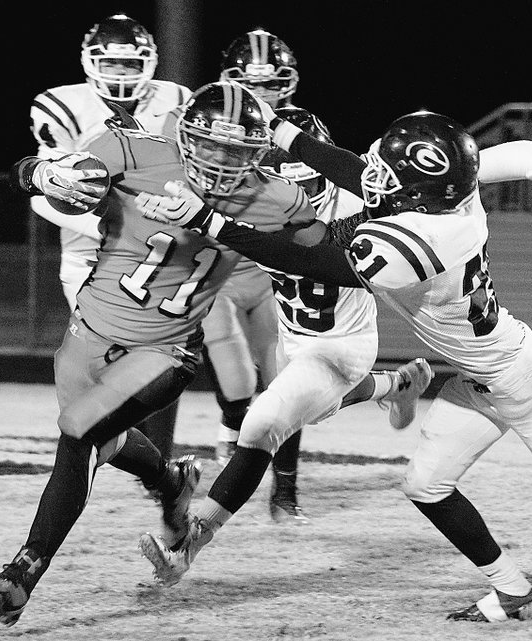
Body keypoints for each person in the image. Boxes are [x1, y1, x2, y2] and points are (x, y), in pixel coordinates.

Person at [136, 104, 532, 621]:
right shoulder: (447, 197)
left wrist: (206, 220)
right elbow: (378, 176)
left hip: (522, 378)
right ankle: (515, 592)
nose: (371, 175)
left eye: (387, 173)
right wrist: (286, 133)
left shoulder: (410, 243)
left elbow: (315, 259)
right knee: (426, 484)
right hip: (481, 375)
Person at [0, 80, 310, 627]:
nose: (220, 162)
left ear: (259, 153)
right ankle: (171, 483)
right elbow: (28, 174)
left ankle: (21, 576)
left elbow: (331, 254)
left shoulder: (279, 200)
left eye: (236, 150)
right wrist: (38, 173)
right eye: (210, 144)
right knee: (108, 439)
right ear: (184, 133)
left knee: (79, 434)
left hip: (166, 350)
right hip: (87, 333)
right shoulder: (128, 151)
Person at [135, 93, 434, 579]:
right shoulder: (256, 195)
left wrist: (209, 220)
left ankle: (189, 544)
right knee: (315, 407)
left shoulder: (361, 206)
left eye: (310, 179)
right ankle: (398, 386)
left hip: (343, 343)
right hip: (294, 334)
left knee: (263, 423)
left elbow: (312, 248)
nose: (300, 193)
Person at [29, 12, 192, 461]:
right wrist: (105, 225)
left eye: (130, 64)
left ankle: (159, 457)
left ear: (150, 63)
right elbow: (45, 197)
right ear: (89, 61)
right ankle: (147, 461)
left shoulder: (177, 99)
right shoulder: (61, 105)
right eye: (112, 64)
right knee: (105, 362)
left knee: (160, 353)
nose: (120, 75)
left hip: (161, 249)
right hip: (89, 251)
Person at [196, 27, 304, 522]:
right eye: (250, 83)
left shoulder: (301, 130)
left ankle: (285, 492)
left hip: (272, 277)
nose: (261, 93)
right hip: (218, 273)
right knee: (240, 387)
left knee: (286, 385)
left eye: (270, 82)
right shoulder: (214, 123)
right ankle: (232, 422)